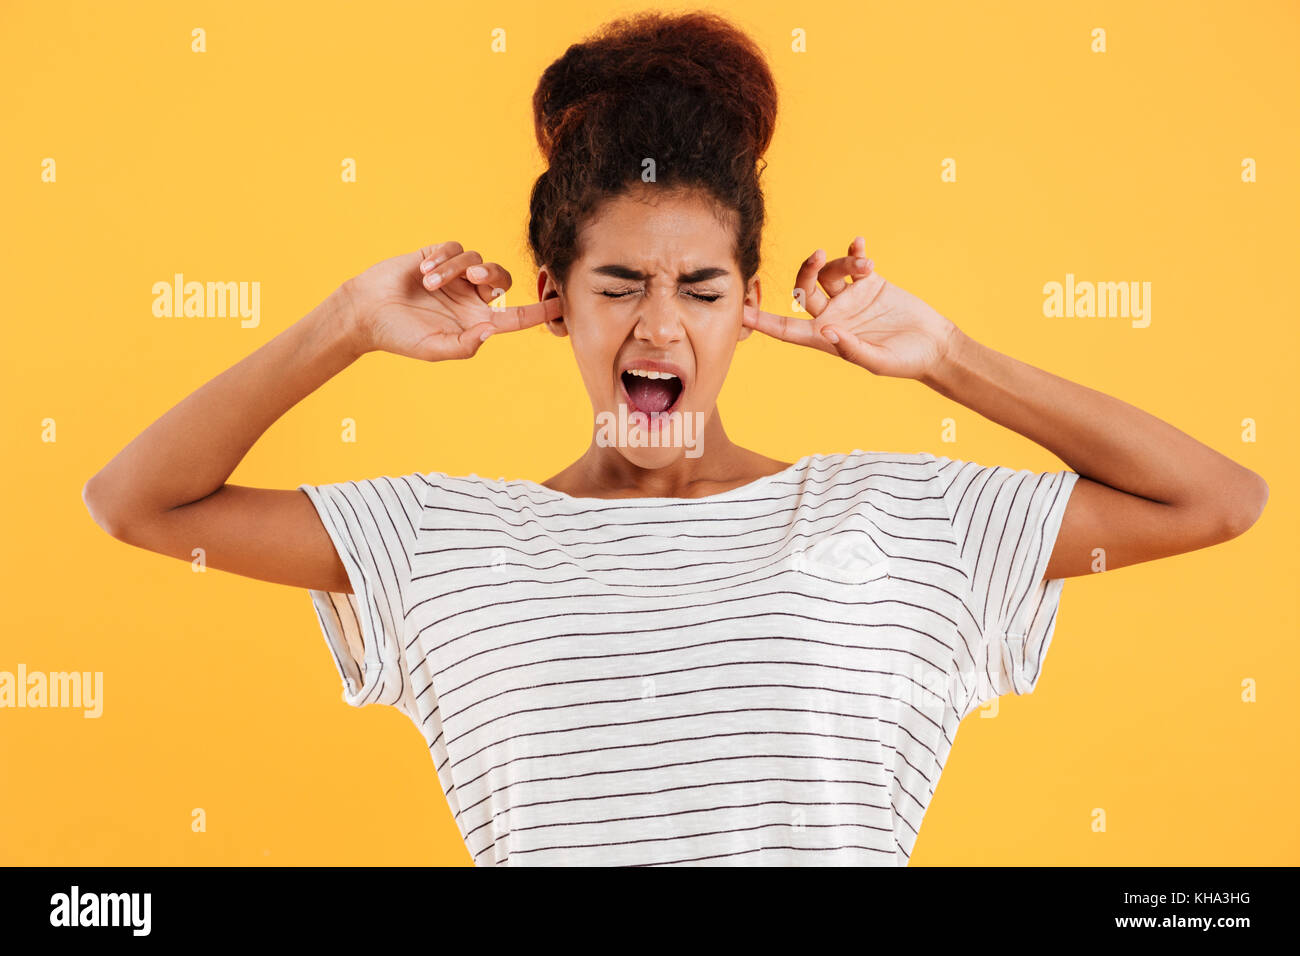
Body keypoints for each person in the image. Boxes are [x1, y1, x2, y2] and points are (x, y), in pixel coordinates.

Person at [82, 11, 1267, 866]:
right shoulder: (446, 539)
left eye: (702, 287)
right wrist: (343, 322)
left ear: (751, 303)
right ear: (553, 297)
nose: (660, 322)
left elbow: (1213, 499)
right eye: (617, 284)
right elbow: (139, 503)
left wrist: (950, 358)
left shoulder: (897, 519)